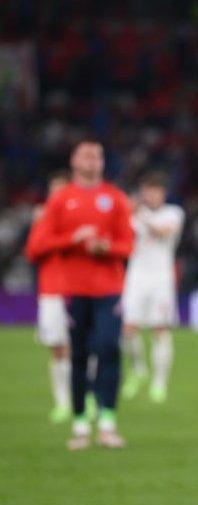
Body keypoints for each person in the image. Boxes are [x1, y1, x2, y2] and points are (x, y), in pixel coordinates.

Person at [29, 140, 134, 450]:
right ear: (74, 161)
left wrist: (106, 247)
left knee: (108, 349)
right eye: (86, 155)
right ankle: (79, 424)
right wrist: (71, 239)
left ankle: (107, 421)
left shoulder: (114, 198)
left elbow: (128, 245)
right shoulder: (61, 200)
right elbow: (36, 247)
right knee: (78, 354)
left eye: (98, 155)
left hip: (109, 289)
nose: (92, 160)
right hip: (73, 290)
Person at [121, 173, 184, 403]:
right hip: (136, 277)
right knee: (128, 329)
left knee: (160, 329)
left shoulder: (174, 213)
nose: (152, 195)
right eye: (148, 191)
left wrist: (138, 211)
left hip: (161, 279)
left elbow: (163, 231)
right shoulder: (132, 217)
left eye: (156, 191)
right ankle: (138, 370)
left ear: (163, 193)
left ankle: (159, 382)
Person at [24, 171, 72, 423]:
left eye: (61, 190)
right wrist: (63, 240)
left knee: (81, 347)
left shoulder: (80, 217)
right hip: (51, 290)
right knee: (58, 348)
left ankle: (84, 398)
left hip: (79, 289)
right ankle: (62, 402)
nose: (56, 195)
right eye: (53, 190)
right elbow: (32, 251)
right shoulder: (42, 219)